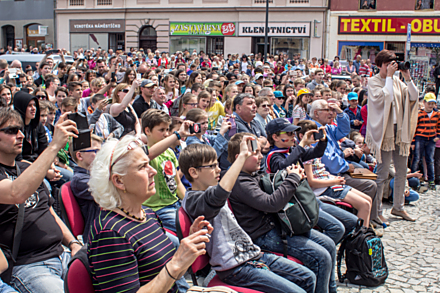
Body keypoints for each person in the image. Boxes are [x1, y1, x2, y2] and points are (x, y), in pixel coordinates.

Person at [180, 143, 316, 293]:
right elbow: (218, 195)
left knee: (308, 277)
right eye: (212, 166)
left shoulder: (210, 189)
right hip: (234, 269)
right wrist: (242, 157)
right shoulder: (194, 201)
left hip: (251, 256)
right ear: (193, 172)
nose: (219, 169)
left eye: (218, 164)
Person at [87, 135, 212, 293]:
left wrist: (188, 251)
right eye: (142, 167)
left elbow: (171, 276)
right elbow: (170, 270)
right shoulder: (110, 233)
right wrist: (175, 264)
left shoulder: (147, 214)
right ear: (119, 181)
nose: (153, 171)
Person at [226, 132, 335, 293]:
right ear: (239, 157)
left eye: (260, 152)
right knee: (321, 257)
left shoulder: (252, 173)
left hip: (277, 226)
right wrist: (292, 179)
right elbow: (271, 204)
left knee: (329, 245)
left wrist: (286, 176)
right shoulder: (239, 181)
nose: (261, 156)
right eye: (255, 153)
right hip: (264, 236)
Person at [0, 110, 83, 293]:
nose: (21, 135)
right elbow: (16, 193)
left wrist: (73, 243)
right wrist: (54, 145)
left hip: (63, 254)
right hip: (29, 265)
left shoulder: (25, 168)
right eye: (12, 130)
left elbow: (49, 212)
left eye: (20, 130)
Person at [309, 99, 382, 233]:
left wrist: (340, 112)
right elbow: (328, 161)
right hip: (331, 175)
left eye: (332, 111)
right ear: (316, 113)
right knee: (369, 186)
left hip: (334, 173)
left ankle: (365, 221)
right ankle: (361, 227)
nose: (331, 113)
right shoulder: (315, 131)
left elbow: (344, 130)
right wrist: (346, 166)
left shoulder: (327, 127)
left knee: (368, 176)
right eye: (327, 110)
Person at [367, 49, 419, 223]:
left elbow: (414, 96)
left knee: (401, 171)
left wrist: (407, 77)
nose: (392, 67)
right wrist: (388, 77)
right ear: (380, 65)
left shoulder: (397, 81)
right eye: (388, 64)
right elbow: (385, 98)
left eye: (394, 63)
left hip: (399, 130)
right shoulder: (374, 81)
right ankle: (378, 211)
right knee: (382, 173)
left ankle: (398, 207)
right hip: (384, 132)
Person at [298, 120, 371, 228]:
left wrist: (333, 178)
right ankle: (360, 239)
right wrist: (335, 181)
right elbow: (311, 181)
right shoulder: (306, 152)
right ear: (301, 136)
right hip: (323, 188)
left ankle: (365, 235)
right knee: (364, 205)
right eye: (312, 134)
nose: (316, 136)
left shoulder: (312, 149)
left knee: (368, 200)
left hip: (328, 182)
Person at [140, 109, 187, 232]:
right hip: (156, 209)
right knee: (185, 231)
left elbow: (177, 183)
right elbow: (149, 155)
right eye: (161, 130)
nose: (166, 134)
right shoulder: (141, 152)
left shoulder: (170, 152)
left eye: (167, 130)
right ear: (147, 131)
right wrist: (177, 135)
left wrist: (189, 202)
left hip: (175, 204)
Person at [69, 134, 103, 242]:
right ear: (80, 156)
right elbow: (108, 190)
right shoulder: (79, 180)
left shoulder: (95, 175)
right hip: (98, 236)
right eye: (96, 151)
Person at [411, 93, 440, 190]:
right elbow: (414, 128)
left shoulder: (437, 114)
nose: (431, 105)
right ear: (424, 103)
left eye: (433, 103)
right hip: (420, 137)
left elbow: (439, 126)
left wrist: (438, 136)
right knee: (417, 158)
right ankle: (414, 179)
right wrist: (413, 142)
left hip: (431, 139)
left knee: (430, 160)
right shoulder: (419, 113)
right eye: (429, 103)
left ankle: (431, 180)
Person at [12, 91, 48, 162]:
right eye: (29, 105)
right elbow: (18, 159)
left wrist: (50, 166)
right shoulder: (14, 127)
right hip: (22, 165)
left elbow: (43, 149)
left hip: (39, 162)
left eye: (34, 105)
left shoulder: (38, 125)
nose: (33, 108)